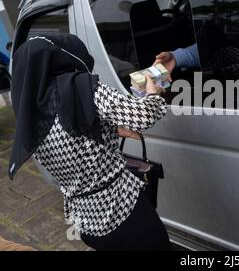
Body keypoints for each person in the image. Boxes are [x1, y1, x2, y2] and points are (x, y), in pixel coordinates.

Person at [9, 34, 171, 251]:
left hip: (86, 223)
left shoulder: (29, 111)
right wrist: (154, 93)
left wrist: (111, 128)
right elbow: (143, 115)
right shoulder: (80, 86)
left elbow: (71, 135)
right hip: (122, 213)